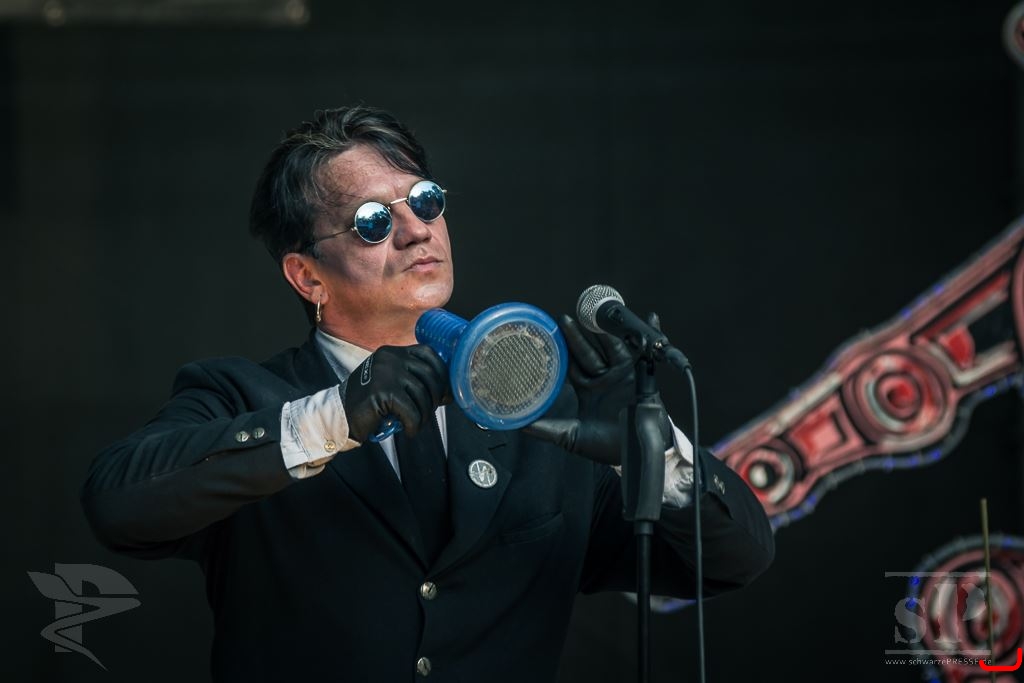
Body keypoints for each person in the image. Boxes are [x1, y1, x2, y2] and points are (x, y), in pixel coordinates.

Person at [81, 106, 774, 682]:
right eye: (373, 221)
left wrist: (648, 447)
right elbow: (116, 503)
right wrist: (334, 416)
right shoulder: (245, 395)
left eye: (425, 200)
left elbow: (734, 559)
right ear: (307, 276)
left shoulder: (546, 410)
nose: (416, 229)